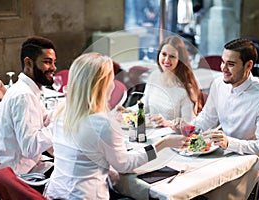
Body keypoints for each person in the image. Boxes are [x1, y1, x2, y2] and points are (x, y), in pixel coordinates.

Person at [44, 52, 189, 200]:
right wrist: (162, 145)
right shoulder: (103, 124)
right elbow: (125, 165)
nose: (113, 84)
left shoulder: (61, 111)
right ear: (102, 84)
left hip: (54, 194)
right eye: (111, 79)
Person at [193, 38, 259, 158]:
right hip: (222, 152)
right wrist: (187, 128)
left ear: (248, 65)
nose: (223, 68)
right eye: (223, 62)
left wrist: (229, 143)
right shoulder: (218, 84)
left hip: (249, 160)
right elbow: (207, 118)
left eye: (231, 64)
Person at [0, 36, 56, 175]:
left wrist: (64, 112)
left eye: (53, 62)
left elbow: (44, 118)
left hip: (19, 168)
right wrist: (59, 126)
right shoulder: (24, 95)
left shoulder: (25, 89)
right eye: (47, 62)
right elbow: (31, 147)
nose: (53, 68)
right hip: (20, 175)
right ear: (28, 63)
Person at [143, 35, 203, 128]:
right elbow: (144, 108)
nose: (167, 60)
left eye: (172, 56)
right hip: (151, 133)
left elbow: (189, 125)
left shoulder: (186, 89)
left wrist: (167, 123)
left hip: (173, 138)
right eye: (164, 54)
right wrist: (127, 111)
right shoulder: (153, 76)